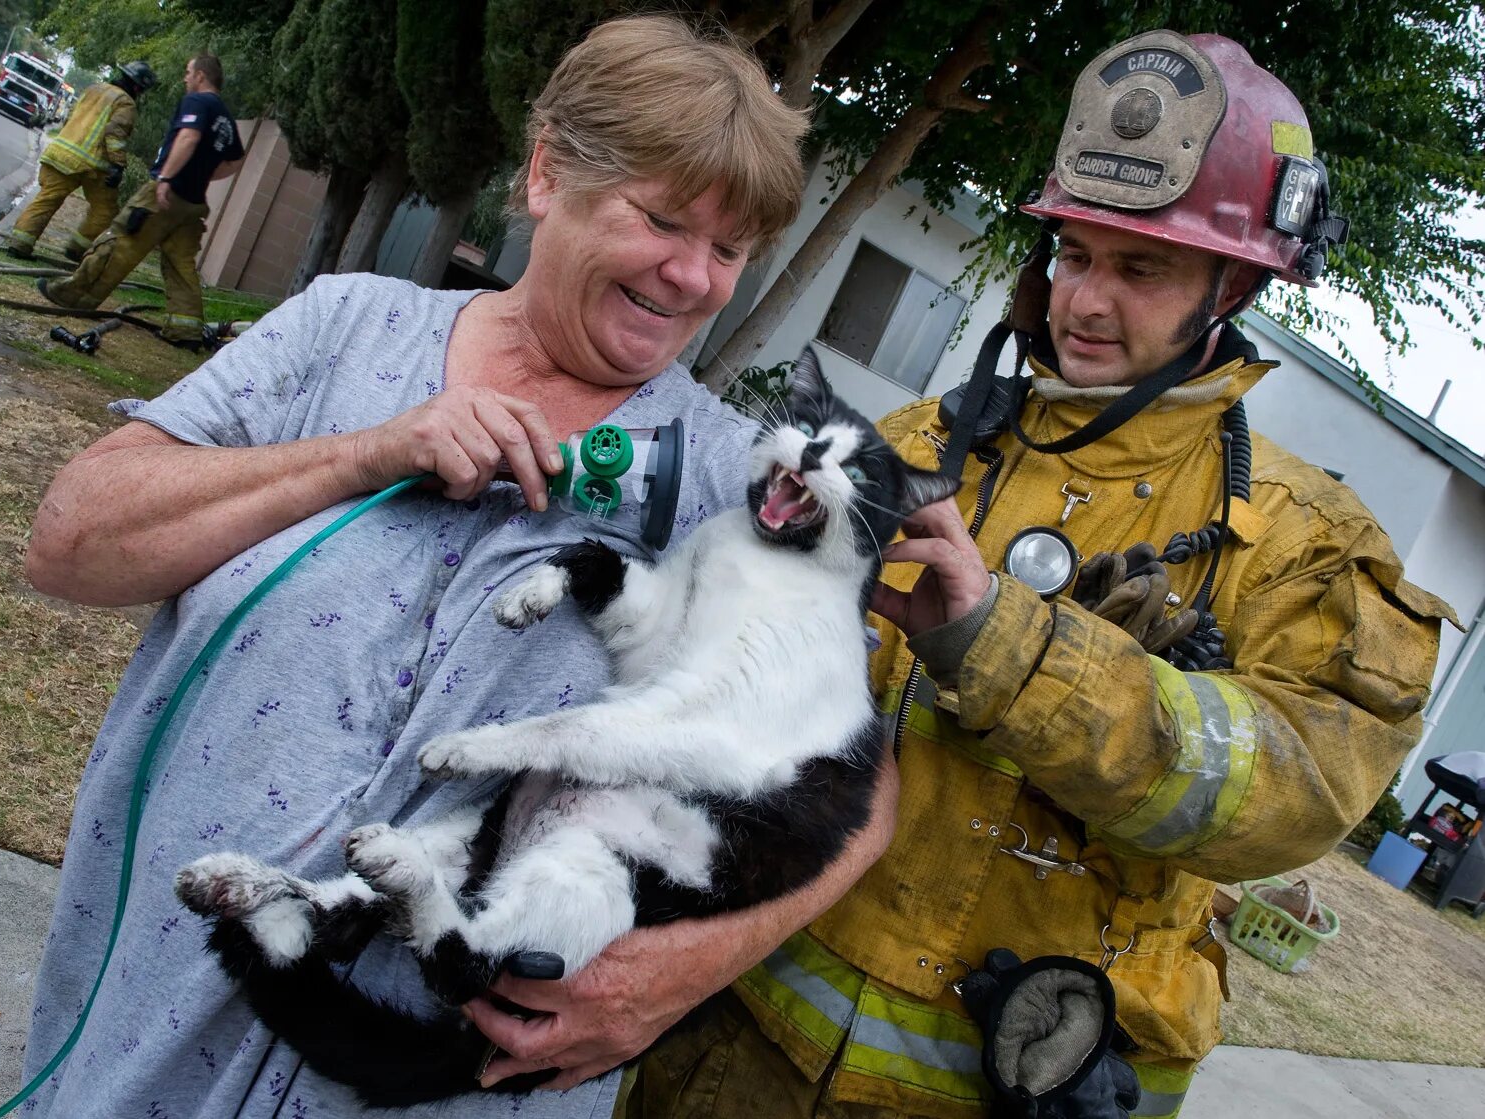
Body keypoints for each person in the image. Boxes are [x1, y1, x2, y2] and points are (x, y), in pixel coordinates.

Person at [19, 16, 869, 1119]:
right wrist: (369, 450)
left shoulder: (736, 483)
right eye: (662, 220)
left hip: (435, 1074)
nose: (693, 277)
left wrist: (692, 968)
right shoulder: (344, 333)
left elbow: (855, 784)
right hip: (157, 1021)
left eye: (730, 248)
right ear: (546, 171)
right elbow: (72, 543)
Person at [623, 29, 1457, 1119]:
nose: (1085, 303)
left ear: (1237, 287)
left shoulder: (1305, 545)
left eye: (1142, 268)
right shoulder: (927, 442)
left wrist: (1009, 648)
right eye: (1073, 254)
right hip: (735, 1053)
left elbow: (1297, 799)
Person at [38, 54, 244, 348]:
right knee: (180, 265)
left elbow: (187, 138)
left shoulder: (197, 102)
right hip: (193, 203)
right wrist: (202, 175)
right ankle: (186, 332)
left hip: (165, 195)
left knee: (120, 242)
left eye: (188, 72)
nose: (185, 78)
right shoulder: (224, 117)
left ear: (200, 76)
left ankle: (72, 296)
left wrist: (167, 178)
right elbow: (235, 160)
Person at [5, 61, 158, 262]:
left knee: (47, 199)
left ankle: (19, 245)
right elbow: (115, 135)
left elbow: (70, 117)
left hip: (60, 154)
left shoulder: (93, 89)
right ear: (138, 87)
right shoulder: (125, 102)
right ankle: (76, 250)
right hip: (92, 165)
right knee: (104, 211)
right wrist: (118, 165)